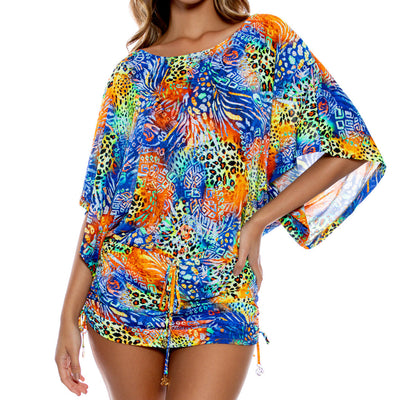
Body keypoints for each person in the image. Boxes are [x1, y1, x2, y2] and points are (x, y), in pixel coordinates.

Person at [55, 0, 386, 399]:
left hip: (222, 289)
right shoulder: (131, 73)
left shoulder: (264, 40)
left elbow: (350, 146)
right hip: (124, 289)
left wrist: (258, 221)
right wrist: (68, 316)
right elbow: (101, 205)